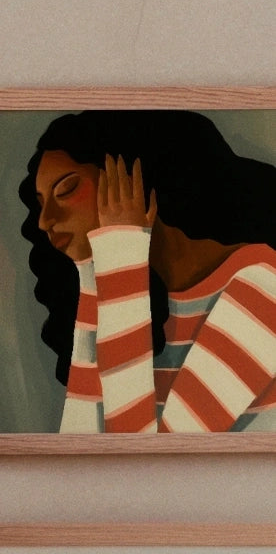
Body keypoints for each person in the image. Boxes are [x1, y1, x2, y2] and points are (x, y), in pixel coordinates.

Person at [18, 109, 276, 433]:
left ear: (137, 180)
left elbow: (142, 451)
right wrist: (92, 269)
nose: (44, 221)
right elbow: (81, 436)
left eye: (67, 190)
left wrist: (120, 248)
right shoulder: (130, 292)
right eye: (41, 202)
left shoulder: (264, 285)